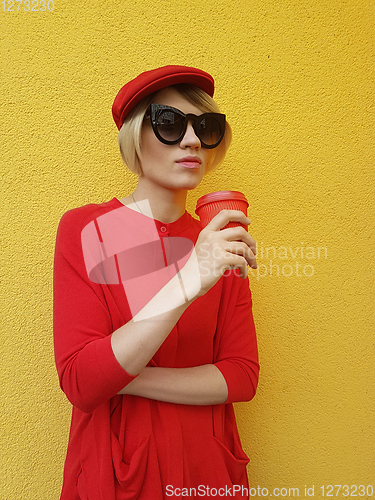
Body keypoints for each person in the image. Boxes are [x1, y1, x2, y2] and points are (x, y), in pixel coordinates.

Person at [53, 65, 259, 500]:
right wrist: (188, 281)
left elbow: (241, 377)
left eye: (206, 127)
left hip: (209, 472)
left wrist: (121, 376)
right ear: (134, 137)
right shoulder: (86, 229)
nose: (191, 141)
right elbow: (81, 382)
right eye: (168, 123)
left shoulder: (219, 241)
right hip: (117, 472)